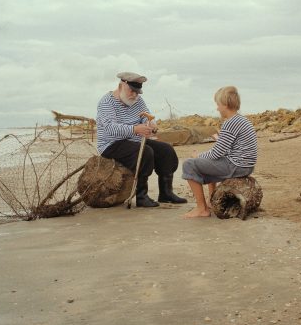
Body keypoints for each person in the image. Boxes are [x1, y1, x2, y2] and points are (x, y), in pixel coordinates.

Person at [96, 71, 187, 207]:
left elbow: (145, 116)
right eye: (131, 91)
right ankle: (141, 196)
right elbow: (110, 128)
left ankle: (166, 193)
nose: (134, 95)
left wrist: (151, 124)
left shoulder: (137, 100)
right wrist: (135, 129)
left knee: (166, 150)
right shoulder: (106, 102)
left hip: (134, 140)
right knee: (145, 152)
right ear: (121, 85)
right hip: (111, 144)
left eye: (137, 92)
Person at [182, 86, 257, 218]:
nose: (217, 108)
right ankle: (212, 200)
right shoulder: (242, 120)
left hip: (236, 165)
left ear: (225, 104)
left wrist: (197, 156)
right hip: (245, 165)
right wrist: (219, 140)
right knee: (208, 161)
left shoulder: (231, 123)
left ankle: (202, 209)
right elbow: (228, 149)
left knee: (188, 164)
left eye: (218, 104)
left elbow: (217, 153)